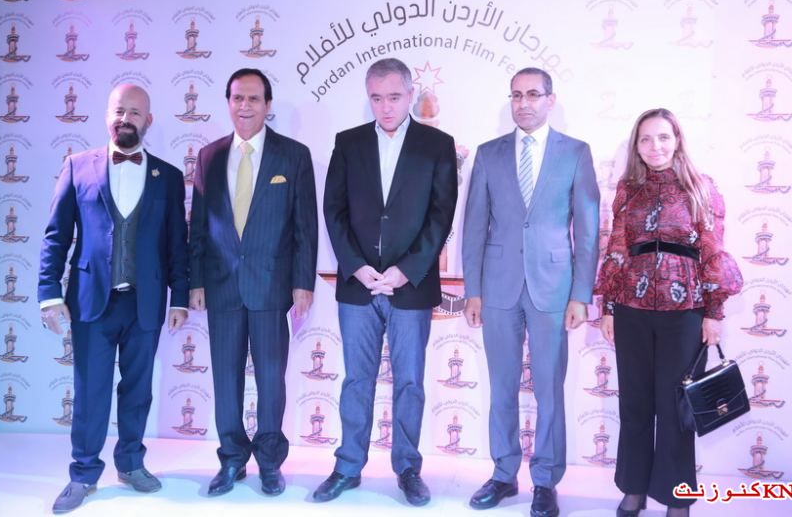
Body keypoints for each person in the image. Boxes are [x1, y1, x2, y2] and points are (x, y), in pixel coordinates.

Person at [38, 84, 189, 514]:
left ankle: (131, 463)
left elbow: (177, 244)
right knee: (90, 391)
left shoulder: (168, 177)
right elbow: (56, 236)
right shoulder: (76, 167)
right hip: (91, 302)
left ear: (149, 120)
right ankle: (83, 474)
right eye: (119, 111)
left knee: (138, 390)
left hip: (145, 303)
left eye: (135, 112)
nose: (126, 118)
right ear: (107, 116)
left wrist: (179, 298)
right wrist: (48, 295)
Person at [314, 57, 458, 507]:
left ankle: (408, 468)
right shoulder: (348, 142)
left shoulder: (437, 145)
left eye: (394, 97)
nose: (386, 107)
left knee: (410, 381)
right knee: (357, 380)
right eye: (376, 98)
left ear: (411, 95)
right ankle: (347, 466)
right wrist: (355, 265)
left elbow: (441, 215)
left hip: (410, 286)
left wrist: (406, 269)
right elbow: (333, 210)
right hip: (358, 286)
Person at [462, 67, 600, 517]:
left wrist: (581, 293)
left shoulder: (576, 153)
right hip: (498, 288)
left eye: (533, 94)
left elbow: (588, 229)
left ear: (550, 100)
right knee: (501, 386)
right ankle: (503, 474)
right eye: (517, 95)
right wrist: (473, 290)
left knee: (549, 390)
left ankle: (545, 481)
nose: (524, 103)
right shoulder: (488, 154)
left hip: (554, 289)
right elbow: (474, 226)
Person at [596, 108, 743, 517]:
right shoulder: (627, 189)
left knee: (677, 407)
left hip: (685, 312)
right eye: (645, 139)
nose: (654, 146)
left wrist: (714, 312)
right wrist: (608, 307)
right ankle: (634, 489)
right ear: (636, 146)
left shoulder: (701, 187)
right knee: (635, 404)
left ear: (677, 140)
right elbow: (617, 249)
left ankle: (677, 498)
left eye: (663, 137)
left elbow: (713, 250)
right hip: (631, 309)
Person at [188, 68, 318, 497]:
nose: (245, 106)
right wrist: (195, 281)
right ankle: (231, 459)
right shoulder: (208, 156)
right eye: (237, 98)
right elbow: (198, 226)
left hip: (271, 286)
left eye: (254, 99)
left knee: (271, 379)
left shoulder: (293, 156)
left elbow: (305, 227)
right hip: (221, 285)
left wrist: (303, 283)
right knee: (225, 380)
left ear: (268, 105)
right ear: (228, 102)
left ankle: (269, 461)